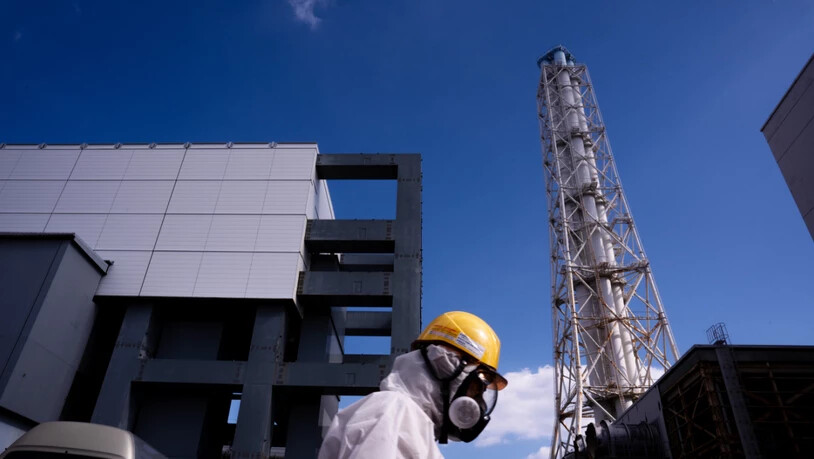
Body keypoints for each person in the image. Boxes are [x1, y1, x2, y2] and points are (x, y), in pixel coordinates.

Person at [318, 311, 508, 458]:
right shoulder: (393, 412)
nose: (478, 403)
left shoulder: (411, 422)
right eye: (476, 387)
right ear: (446, 365)